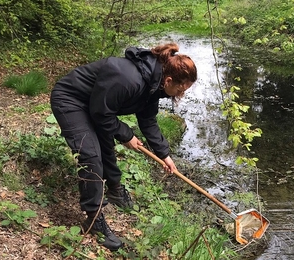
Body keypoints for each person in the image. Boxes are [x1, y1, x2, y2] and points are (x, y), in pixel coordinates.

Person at [50, 43, 197, 251]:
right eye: (180, 90)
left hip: (95, 105)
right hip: (71, 100)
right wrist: (126, 134)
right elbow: (101, 113)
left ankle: (115, 191)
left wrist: (165, 154)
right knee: (91, 156)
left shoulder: (154, 86)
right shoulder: (129, 78)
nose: (180, 95)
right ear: (169, 80)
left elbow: (148, 121)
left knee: (106, 145)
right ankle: (93, 221)